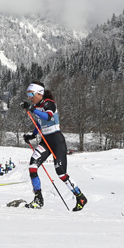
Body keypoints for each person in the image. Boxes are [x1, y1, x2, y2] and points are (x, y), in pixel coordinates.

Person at [20, 82, 87, 211]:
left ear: (40, 93)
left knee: (61, 173)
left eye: (31, 94)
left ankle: (80, 197)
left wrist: (31, 109)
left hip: (56, 140)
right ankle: (38, 199)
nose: (30, 97)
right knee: (33, 167)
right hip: (45, 141)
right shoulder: (36, 105)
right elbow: (40, 122)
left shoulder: (48, 103)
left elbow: (48, 117)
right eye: (28, 95)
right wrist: (32, 135)